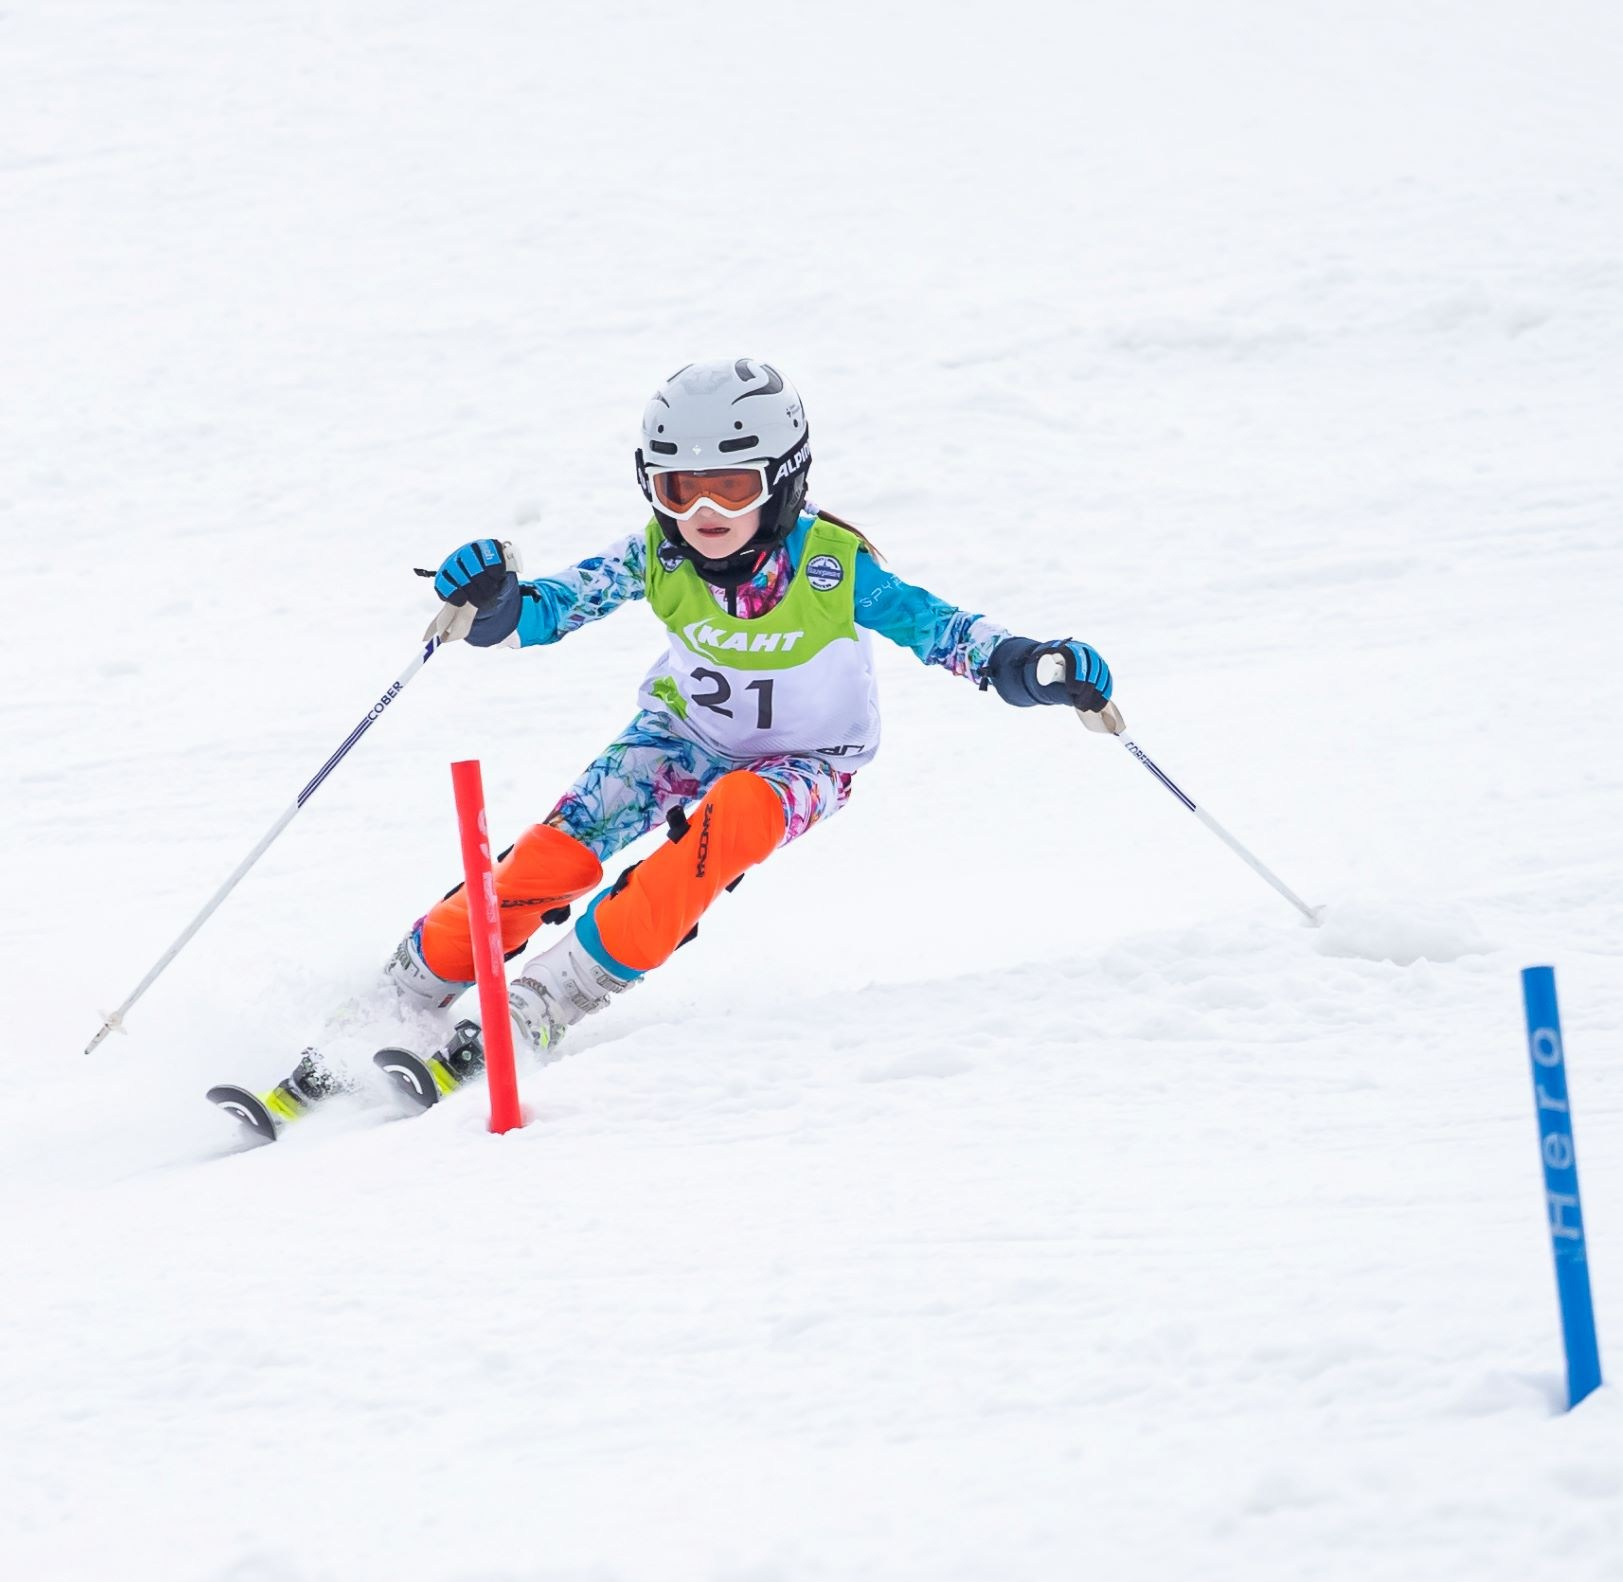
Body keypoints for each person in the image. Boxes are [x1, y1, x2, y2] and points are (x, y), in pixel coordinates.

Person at [246, 359, 1117, 1123]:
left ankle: (551, 996)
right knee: (553, 855)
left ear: (783, 482)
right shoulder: (656, 556)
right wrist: (491, 599)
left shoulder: (832, 566)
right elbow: (548, 610)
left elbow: (946, 633)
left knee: (731, 820)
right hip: (681, 732)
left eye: (731, 487)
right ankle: (406, 991)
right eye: (676, 487)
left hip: (808, 760)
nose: (701, 511)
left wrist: (1029, 666)